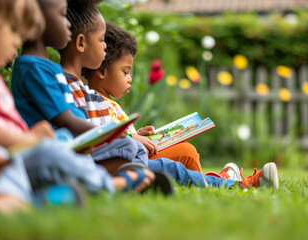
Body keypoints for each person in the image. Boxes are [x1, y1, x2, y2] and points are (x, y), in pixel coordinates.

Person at [57, 0, 278, 191]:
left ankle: (217, 181)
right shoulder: (86, 96)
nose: (130, 78)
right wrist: (132, 138)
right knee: (182, 158)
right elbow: (99, 135)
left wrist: (137, 134)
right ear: (102, 71)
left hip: (128, 156)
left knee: (186, 152)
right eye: (125, 72)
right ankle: (230, 183)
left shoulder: (94, 97)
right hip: (119, 162)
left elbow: (109, 133)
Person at [0, 0, 158, 209]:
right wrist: (31, 139)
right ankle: (108, 184)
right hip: (10, 154)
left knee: (61, 145)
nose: (17, 39)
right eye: (13, 28)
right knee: (51, 151)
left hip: (18, 153)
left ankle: (44, 199)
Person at [10, 0, 149, 174]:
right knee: (127, 145)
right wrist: (106, 133)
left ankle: (135, 176)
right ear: (39, 20)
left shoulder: (46, 67)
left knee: (134, 146)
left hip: (75, 142)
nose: (68, 23)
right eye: (62, 15)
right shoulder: (33, 68)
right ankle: (111, 178)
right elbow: (66, 120)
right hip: (61, 147)